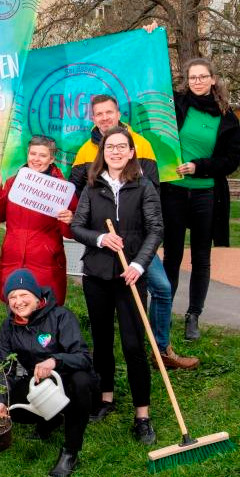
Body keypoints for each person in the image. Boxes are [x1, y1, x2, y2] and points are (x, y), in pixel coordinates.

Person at [70, 94, 196, 370]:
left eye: (109, 112)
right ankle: (107, 358)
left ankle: (160, 348)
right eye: (98, 114)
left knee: (161, 288)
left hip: (136, 240)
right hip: (104, 244)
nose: (104, 118)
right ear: (93, 118)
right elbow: (75, 191)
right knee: (107, 301)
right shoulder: (84, 152)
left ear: (118, 113)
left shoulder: (141, 144)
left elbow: (150, 190)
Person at [70, 127, 161, 444]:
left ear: (132, 151)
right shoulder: (92, 187)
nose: (117, 151)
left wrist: (138, 264)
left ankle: (142, 414)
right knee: (102, 339)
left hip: (130, 277)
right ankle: (105, 397)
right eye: (111, 147)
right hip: (96, 274)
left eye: (123, 146)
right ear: (103, 151)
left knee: (134, 345)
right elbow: (76, 226)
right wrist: (100, 238)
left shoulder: (144, 185)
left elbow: (155, 229)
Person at [0, 268, 97, 477]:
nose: (18, 301)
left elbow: (84, 357)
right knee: (12, 400)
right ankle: (49, 420)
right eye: (12, 296)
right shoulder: (9, 326)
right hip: (39, 383)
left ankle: (70, 451)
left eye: (24, 294)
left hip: (69, 382)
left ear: (37, 295)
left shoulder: (61, 316)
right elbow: (4, 367)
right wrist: (0, 399)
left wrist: (55, 361)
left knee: (82, 381)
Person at [164, 58, 240, 341]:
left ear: (212, 80)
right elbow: (153, 85)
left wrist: (200, 166)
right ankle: (164, 312)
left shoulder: (227, 117)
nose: (197, 81)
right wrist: (151, 35)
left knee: (201, 257)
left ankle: (193, 315)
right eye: (192, 77)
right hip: (173, 191)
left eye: (202, 76)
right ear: (187, 80)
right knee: (171, 255)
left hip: (206, 193)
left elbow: (231, 159)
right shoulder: (176, 103)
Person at [0, 136, 76, 305]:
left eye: (42, 155)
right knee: (15, 307)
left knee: (45, 310)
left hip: (45, 260)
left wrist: (70, 220)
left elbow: (70, 232)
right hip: (13, 258)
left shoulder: (61, 189)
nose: (36, 159)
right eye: (33, 154)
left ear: (52, 159)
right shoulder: (13, 182)